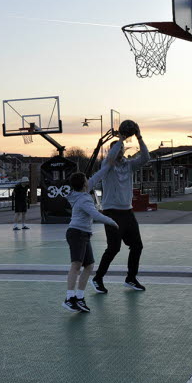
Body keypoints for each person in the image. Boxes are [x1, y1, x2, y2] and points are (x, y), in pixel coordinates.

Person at [92, 125, 150, 293]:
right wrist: (121, 139)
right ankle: (97, 278)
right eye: (118, 148)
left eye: (122, 149)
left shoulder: (129, 165)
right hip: (112, 212)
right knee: (113, 248)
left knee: (137, 246)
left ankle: (131, 278)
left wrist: (139, 137)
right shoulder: (107, 165)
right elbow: (110, 156)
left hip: (127, 212)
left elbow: (146, 157)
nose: (120, 150)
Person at [62, 166, 119, 313]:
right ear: (84, 184)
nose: (89, 181)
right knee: (76, 265)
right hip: (77, 233)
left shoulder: (77, 194)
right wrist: (112, 222)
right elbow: (96, 215)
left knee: (89, 265)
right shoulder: (84, 198)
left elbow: (96, 176)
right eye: (87, 180)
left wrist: (107, 166)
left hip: (83, 233)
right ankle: (69, 298)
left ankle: (79, 297)